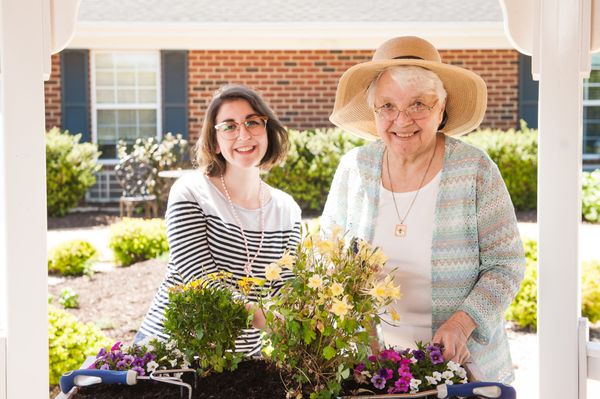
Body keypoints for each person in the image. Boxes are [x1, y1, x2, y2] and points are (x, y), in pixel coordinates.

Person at [321, 36, 525, 383]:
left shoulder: (474, 169)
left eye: (418, 104)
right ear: (374, 111)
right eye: (387, 106)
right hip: (372, 373)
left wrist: (462, 323)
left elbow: (506, 264)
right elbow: (327, 255)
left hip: (459, 371)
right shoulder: (354, 168)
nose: (402, 120)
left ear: (441, 109)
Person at [135, 84, 302, 356]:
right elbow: (201, 281)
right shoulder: (191, 192)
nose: (243, 134)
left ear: (267, 130)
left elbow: (286, 289)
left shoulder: (287, 210)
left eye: (252, 122)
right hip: (170, 356)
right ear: (214, 141)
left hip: (241, 362)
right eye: (229, 126)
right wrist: (271, 321)